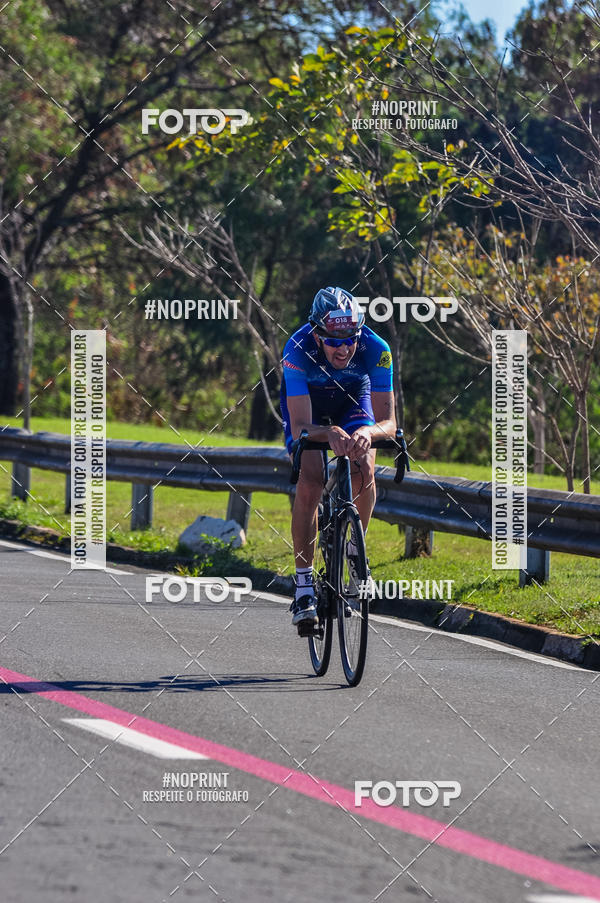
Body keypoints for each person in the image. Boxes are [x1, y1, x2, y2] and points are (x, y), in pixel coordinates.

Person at [280, 285, 397, 632]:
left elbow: (389, 423)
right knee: (311, 480)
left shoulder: (378, 350)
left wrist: (368, 434)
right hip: (310, 409)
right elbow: (301, 425)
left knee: (364, 469)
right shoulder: (296, 350)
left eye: (350, 340)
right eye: (333, 341)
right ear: (317, 335)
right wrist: (327, 434)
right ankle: (303, 586)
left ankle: (354, 550)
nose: (344, 348)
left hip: (353, 402)